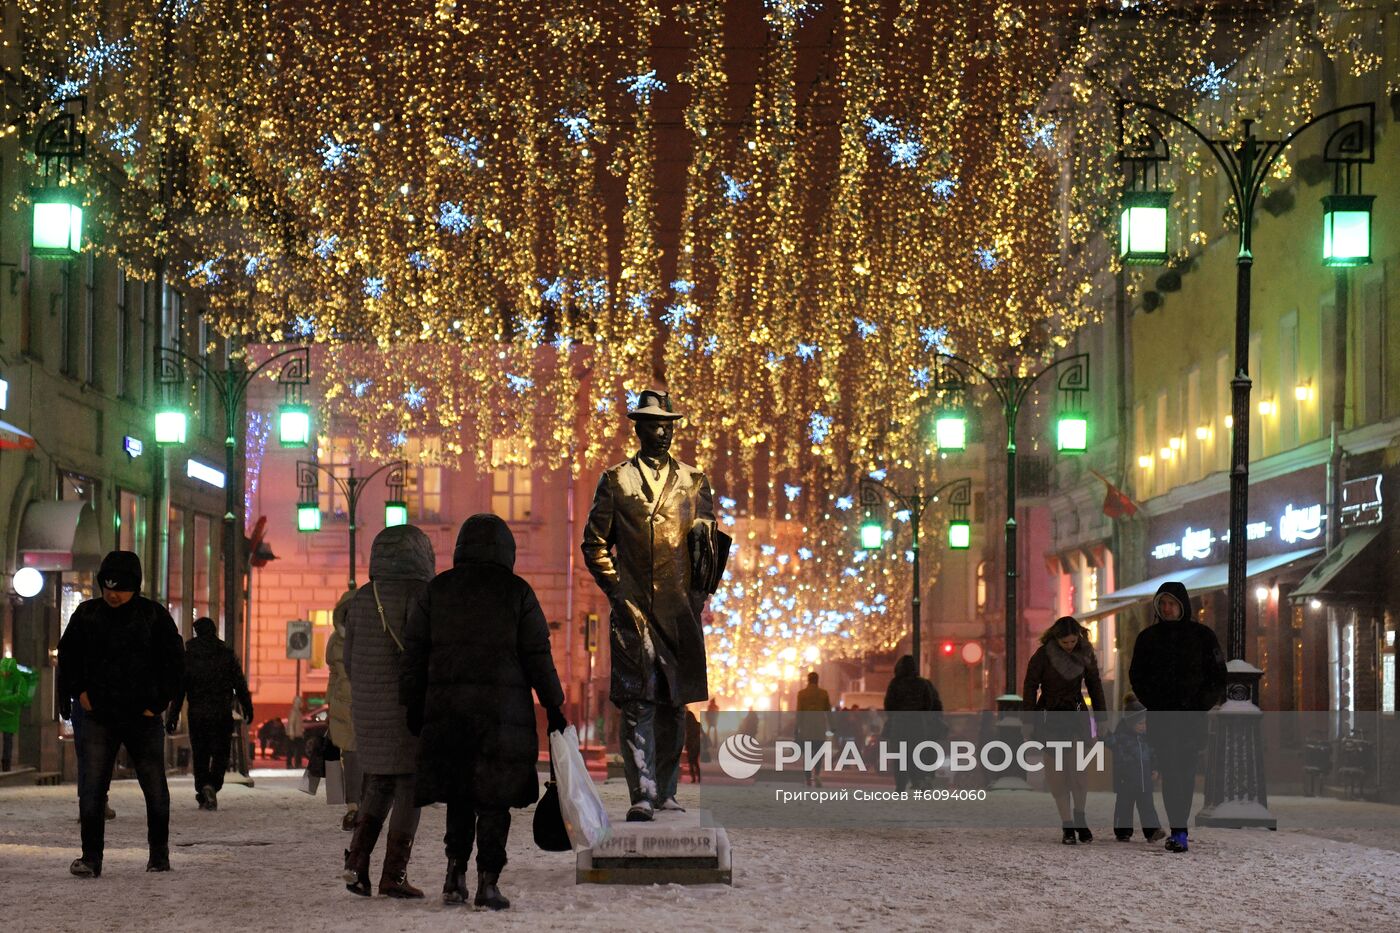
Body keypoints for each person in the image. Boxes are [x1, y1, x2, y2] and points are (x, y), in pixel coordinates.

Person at [402, 514, 566, 910]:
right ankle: (488, 883)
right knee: (494, 801)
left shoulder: (436, 590)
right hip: (501, 717)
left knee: (459, 796)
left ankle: (454, 876)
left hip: (448, 714)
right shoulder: (518, 593)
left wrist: (412, 703)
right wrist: (554, 705)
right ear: (507, 550)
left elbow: (414, 653)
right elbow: (537, 654)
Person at [581, 389, 719, 822]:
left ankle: (667, 792)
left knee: (674, 704)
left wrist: (696, 597)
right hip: (633, 611)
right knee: (638, 702)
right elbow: (594, 543)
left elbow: (707, 548)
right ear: (638, 428)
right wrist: (618, 592)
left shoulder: (694, 482)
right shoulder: (616, 480)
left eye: (668, 424)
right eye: (654, 424)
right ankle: (642, 792)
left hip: (679, 615)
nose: (662, 432)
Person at [56, 550, 184, 876]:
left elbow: (175, 664)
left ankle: (158, 855)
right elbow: (68, 658)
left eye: (120, 587)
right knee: (92, 787)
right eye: (107, 586)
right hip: (98, 715)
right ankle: (91, 858)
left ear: (135, 586)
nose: (112, 594)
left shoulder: (153, 617)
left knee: (154, 786)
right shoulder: (87, 615)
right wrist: (77, 694)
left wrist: (156, 704)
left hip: (142, 718)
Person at [342, 526, 435, 898]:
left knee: (378, 783)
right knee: (410, 787)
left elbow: (349, 661)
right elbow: (421, 655)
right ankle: (393, 875)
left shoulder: (363, 598)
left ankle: (356, 864)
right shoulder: (420, 594)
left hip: (368, 708)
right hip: (405, 707)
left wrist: (368, 692)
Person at [1129, 581, 1227, 854]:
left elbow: (1217, 676)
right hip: (1163, 717)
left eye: (1171, 603)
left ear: (1182, 605)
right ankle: (1179, 829)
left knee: (1184, 772)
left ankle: (1179, 828)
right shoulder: (1148, 638)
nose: (1167, 608)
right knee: (1172, 773)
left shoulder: (1203, 637)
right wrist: (1155, 701)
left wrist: (1201, 704)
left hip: (1192, 718)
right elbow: (1137, 676)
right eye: (1162, 603)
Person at [1023, 616, 1106, 845]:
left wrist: (1102, 718)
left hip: (1076, 715)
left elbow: (1095, 685)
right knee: (1057, 775)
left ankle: (1080, 816)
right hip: (1050, 717)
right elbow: (1030, 685)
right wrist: (1028, 719)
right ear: (1056, 639)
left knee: (1078, 772)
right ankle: (1067, 825)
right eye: (1065, 643)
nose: (1069, 646)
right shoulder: (1043, 655)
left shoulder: (1085, 653)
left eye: (1072, 641)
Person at [166, 617, 253, 811]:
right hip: (221, 713)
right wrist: (248, 706)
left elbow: (179, 691)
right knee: (221, 754)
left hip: (197, 714)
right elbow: (239, 684)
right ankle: (212, 785)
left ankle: (203, 788)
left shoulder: (189, 657)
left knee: (201, 754)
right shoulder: (226, 655)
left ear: (197, 632)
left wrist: (173, 717)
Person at [882, 655, 946, 792]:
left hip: (899, 725)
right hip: (918, 724)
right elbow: (928, 702)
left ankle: (900, 785)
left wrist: (895, 716)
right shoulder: (922, 684)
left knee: (900, 756)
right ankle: (919, 780)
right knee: (917, 754)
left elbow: (888, 704)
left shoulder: (895, 683)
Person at [1107, 695, 1163, 842]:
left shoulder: (1146, 739)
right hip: (1126, 780)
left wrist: (1155, 769)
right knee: (1124, 806)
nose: (1143, 727)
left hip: (1144, 780)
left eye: (1145, 723)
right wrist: (1099, 730)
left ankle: (1152, 831)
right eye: (1140, 724)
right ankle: (1123, 831)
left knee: (1148, 807)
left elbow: (1153, 755)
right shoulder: (1121, 738)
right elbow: (1109, 741)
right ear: (1131, 723)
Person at [326, 589, 359, 832]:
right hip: (343, 707)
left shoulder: (372, 636)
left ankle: (364, 806)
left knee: (367, 758)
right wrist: (331, 700)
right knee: (350, 757)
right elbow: (333, 674)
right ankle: (353, 806)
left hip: (368, 702)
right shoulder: (335, 640)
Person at [795, 672, 833, 787]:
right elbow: (828, 712)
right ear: (817, 680)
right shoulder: (823, 694)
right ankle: (817, 774)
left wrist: (796, 729)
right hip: (820, 728)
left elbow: (799, 713)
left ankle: (808, 778)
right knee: (819, 752)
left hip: (806, 729)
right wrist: (833, 725)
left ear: (808, 680)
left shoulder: (801, 694)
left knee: (807, 754)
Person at [0, 657, 37, 772]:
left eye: (7, 672)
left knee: (8, 740)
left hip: (11, 715)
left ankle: (6, 765)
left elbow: (21, 697)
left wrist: (3, 700)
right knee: (7, 740)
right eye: (3, 671)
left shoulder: (20, 680)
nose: (5, 674)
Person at [684, 709, 704, 784]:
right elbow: (703, 734)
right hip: (697, 746)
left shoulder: (687, 726)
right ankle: (699, 777)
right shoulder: (698, 724)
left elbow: (686, 736)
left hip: (690, 745)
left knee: (691, 763)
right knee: (695, 762)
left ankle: (693, 778)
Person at [286, 694, 305, 769]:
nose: (302, 704)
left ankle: (298, 763)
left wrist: (301, 732)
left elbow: (299, 724)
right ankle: (289, 764)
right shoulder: (294, 712)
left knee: (299, 750)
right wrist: (291, 733)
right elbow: (291, 723)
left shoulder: (298, 712)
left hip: (298, 734)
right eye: (300, 702)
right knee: (291, 750)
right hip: (293, 735)